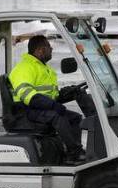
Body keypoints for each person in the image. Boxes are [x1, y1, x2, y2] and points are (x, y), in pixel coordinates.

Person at [9, 35, 86, 164]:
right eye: (49, 47)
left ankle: (72, 153)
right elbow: (28, 95)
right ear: (40, 50)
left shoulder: (43, 67)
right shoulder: (25, 68)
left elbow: (50, 94)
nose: (52, 49)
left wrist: (68, 93)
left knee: (75, 118)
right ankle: (75, 152)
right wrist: (53, 105)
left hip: (40, 108)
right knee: (58, 116)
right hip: (26, 111)